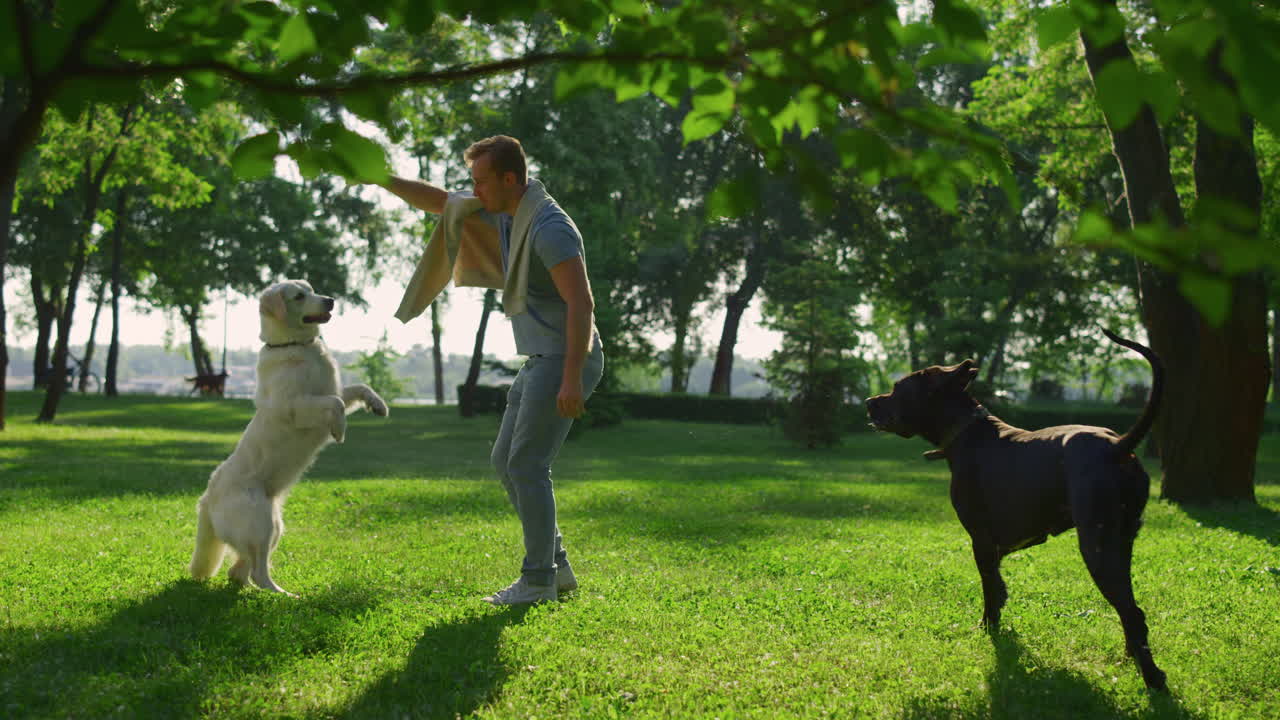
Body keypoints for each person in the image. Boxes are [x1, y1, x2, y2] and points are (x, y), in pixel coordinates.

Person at [376, 135, 605, 605]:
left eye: (481, 181)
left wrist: (570, 379)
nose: (473, 190)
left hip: (564, 357)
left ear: (508, 179)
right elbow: (440, 202)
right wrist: (380, 177)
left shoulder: (548, 228)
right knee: (507, 461)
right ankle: (556, 569)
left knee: (527, 464)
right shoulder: (504, 212)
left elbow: (581, 303)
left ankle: (538, 579)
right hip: (542, 357)